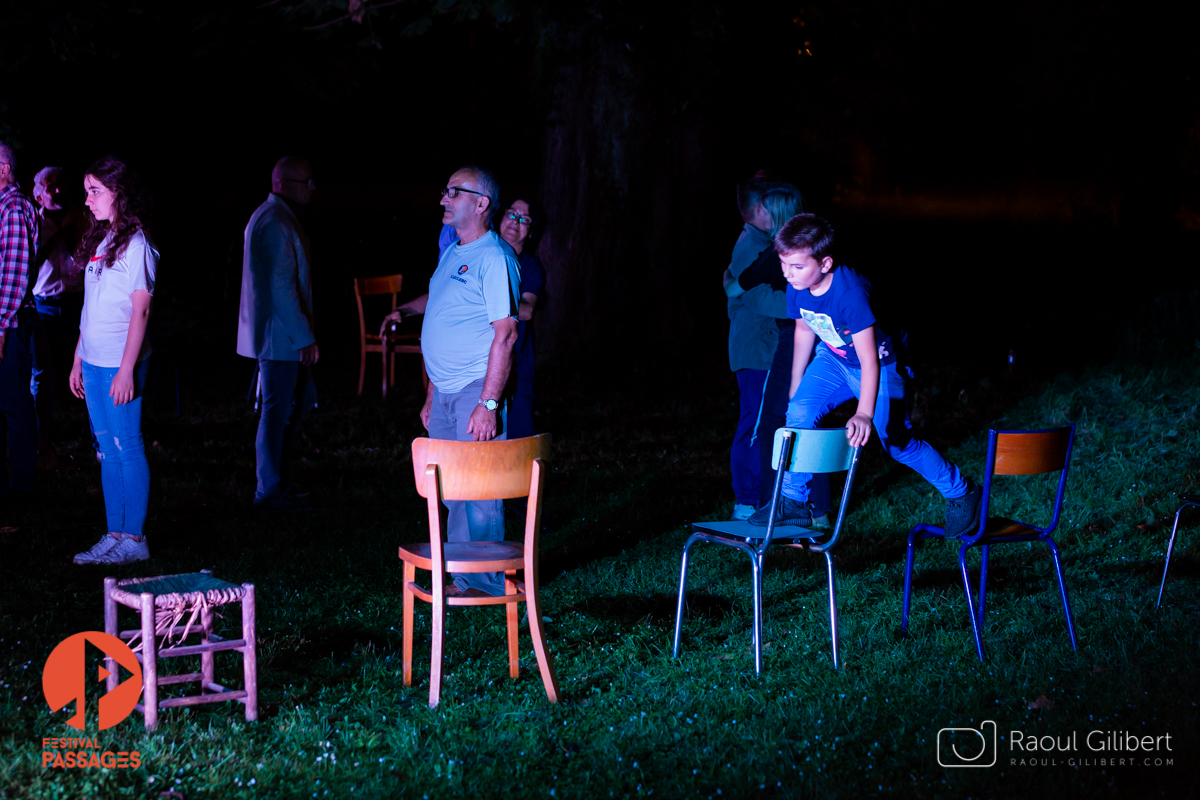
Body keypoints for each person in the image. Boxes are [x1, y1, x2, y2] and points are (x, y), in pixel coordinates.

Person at [748, 213, 982, 538]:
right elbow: (803, 328)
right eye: (784, 264)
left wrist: (863, 413)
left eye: (797, 266)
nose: (788, 273)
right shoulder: (797, 285)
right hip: (833, 359)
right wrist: (796, 383)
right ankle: (793, 501)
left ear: (825, 263)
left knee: (897, 442)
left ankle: (962, 491)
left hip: (881, 366)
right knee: (798, 412)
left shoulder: (850, 294)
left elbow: (870, 361)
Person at [386, 166, 520, 597]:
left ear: (481, 204)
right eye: (444, 191)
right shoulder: (454, 252)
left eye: (454, 192)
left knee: (478, 491)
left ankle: (481, 583)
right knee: (450, 491)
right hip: (444, 392)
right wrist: (430, 392)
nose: (443, 199)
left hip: (474, 390)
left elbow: (506, 334)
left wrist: (489, 403)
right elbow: (443, 307)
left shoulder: (495, 259)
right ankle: (463, 573)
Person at [726, 182, 831, 524]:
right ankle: (754, 500)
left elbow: (744, 286)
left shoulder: (785, 248)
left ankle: (795, 503)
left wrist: (801, 307)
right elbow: (748, 290)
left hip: (777, 345)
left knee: (788, 420)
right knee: (761, 423)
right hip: (760, 349)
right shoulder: (757, 247)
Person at [69, 157, 157, 565]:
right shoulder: (102, 241)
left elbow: (140, 311)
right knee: (106, 448)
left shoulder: (138, 244)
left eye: (95, 191)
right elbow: (91, 306)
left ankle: (134, 538)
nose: (87, 201)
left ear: (118, 193)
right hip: (94, 361)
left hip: (121, 364)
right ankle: (114, 533)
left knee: (127, 446)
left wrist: (126, 369)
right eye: (87, 191)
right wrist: (78, 358)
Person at [236, 156, 318, 512]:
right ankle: (269, 491)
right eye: (305, 181)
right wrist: (304, 338)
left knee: (285, 411)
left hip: (279, 337)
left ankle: (277, 484)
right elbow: (280, 288)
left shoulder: (275, 218)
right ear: (282, 184)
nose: (311, 188)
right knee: (276, 413)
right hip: (279, 339)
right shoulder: (274, 221)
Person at [30, 166, 85, 442]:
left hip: (79, 303)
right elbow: (29, 266)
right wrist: (55, 241)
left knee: (88, 367)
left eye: (62, 183)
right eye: (50, 186)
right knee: (42, 372)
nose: (58, 189)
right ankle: (40, 437)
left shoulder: (83, 217)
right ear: (39, 196)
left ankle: (97, 436)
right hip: (45, 306)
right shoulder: (33, 223)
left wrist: (73, 237)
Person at [0, 140, 39, 507]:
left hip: (9, 321)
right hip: (6, 321)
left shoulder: (13, 209)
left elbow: (14, 276)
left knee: (14, 403)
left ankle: (22, 485)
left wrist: (1, 327)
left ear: (3, 168)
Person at [495, 197, 544, 439]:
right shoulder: (482, 252)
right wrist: (405, 310)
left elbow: (527, 310)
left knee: (519, 438)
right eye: (511, 213)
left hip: (516, 362)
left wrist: (488, 298)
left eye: (524, 219)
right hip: (474, 362)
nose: (516, 221)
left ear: (531, 231)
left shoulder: (531, 265)